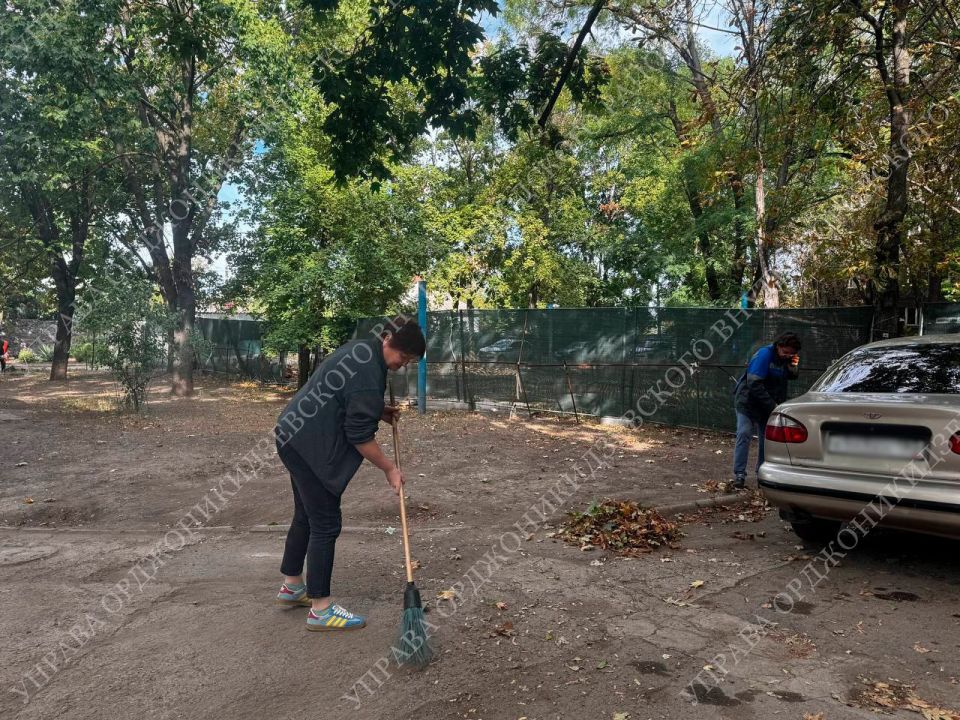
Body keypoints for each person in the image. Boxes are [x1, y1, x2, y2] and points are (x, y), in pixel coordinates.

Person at [272, 317, 425, 631]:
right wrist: (390, 469)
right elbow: (359, 437)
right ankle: (321, 609)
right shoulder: (370, 374)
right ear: (387, 340)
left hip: (292, 435)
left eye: (409, 362)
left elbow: (344, 393)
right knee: (325, 523)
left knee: (306, 514)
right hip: (310, 445)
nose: (403, 365)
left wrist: (376, 409)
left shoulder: (361, 349)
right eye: (404, 358)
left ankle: (292, 587)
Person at [732, 331, 801, 489]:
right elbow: (754, 383)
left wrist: (793, 366)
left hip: (767, 405)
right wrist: (773, 406)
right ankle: (739, 474)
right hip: (747, 401)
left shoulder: (787, 359)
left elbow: (791, 377)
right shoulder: (764, 354)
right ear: (778, 346)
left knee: (767, 440)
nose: (787, 355)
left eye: (791, 353)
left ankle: (762, 475)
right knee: (744, 433)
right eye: (785, 352)